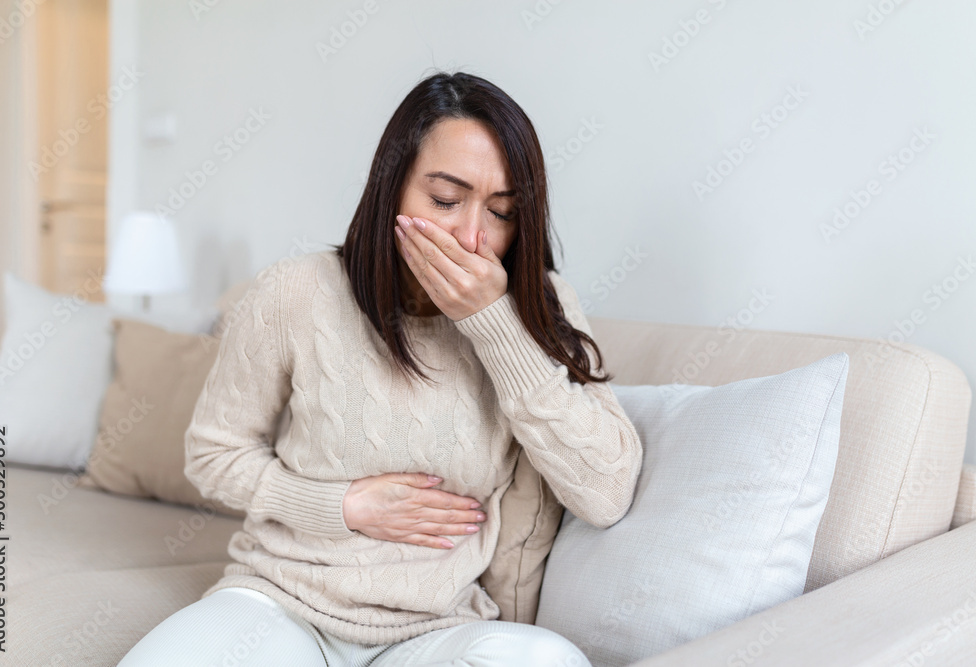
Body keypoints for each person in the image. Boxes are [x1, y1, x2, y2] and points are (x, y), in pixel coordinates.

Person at [117, 70, 642, 666]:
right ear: (391, 189)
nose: (472, 237)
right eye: (445, 201)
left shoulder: (543, 305)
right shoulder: (296, 292)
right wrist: (341, 507)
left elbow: (607, 493)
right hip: (283, 604)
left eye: (501, 212)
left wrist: (496, 326)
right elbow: (213, 456)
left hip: (436, 629)